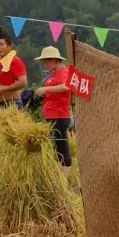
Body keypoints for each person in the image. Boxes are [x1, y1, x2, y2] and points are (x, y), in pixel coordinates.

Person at [33, 46, 74, 177]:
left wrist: (45, 90)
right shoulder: (54, 74)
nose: (44, 64)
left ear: (54, 60)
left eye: (45, 61)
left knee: (62, 148)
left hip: (60, 116)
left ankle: (64, 180)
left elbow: (66, 87)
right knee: (56, 148)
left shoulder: (64, 72)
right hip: (52, 115)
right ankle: (59, 177)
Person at [0, 33, 27, 107]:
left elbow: (23, 82)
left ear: (9, 46)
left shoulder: (15, 61)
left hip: (12, 104)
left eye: (1, 44)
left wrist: (2, 90)